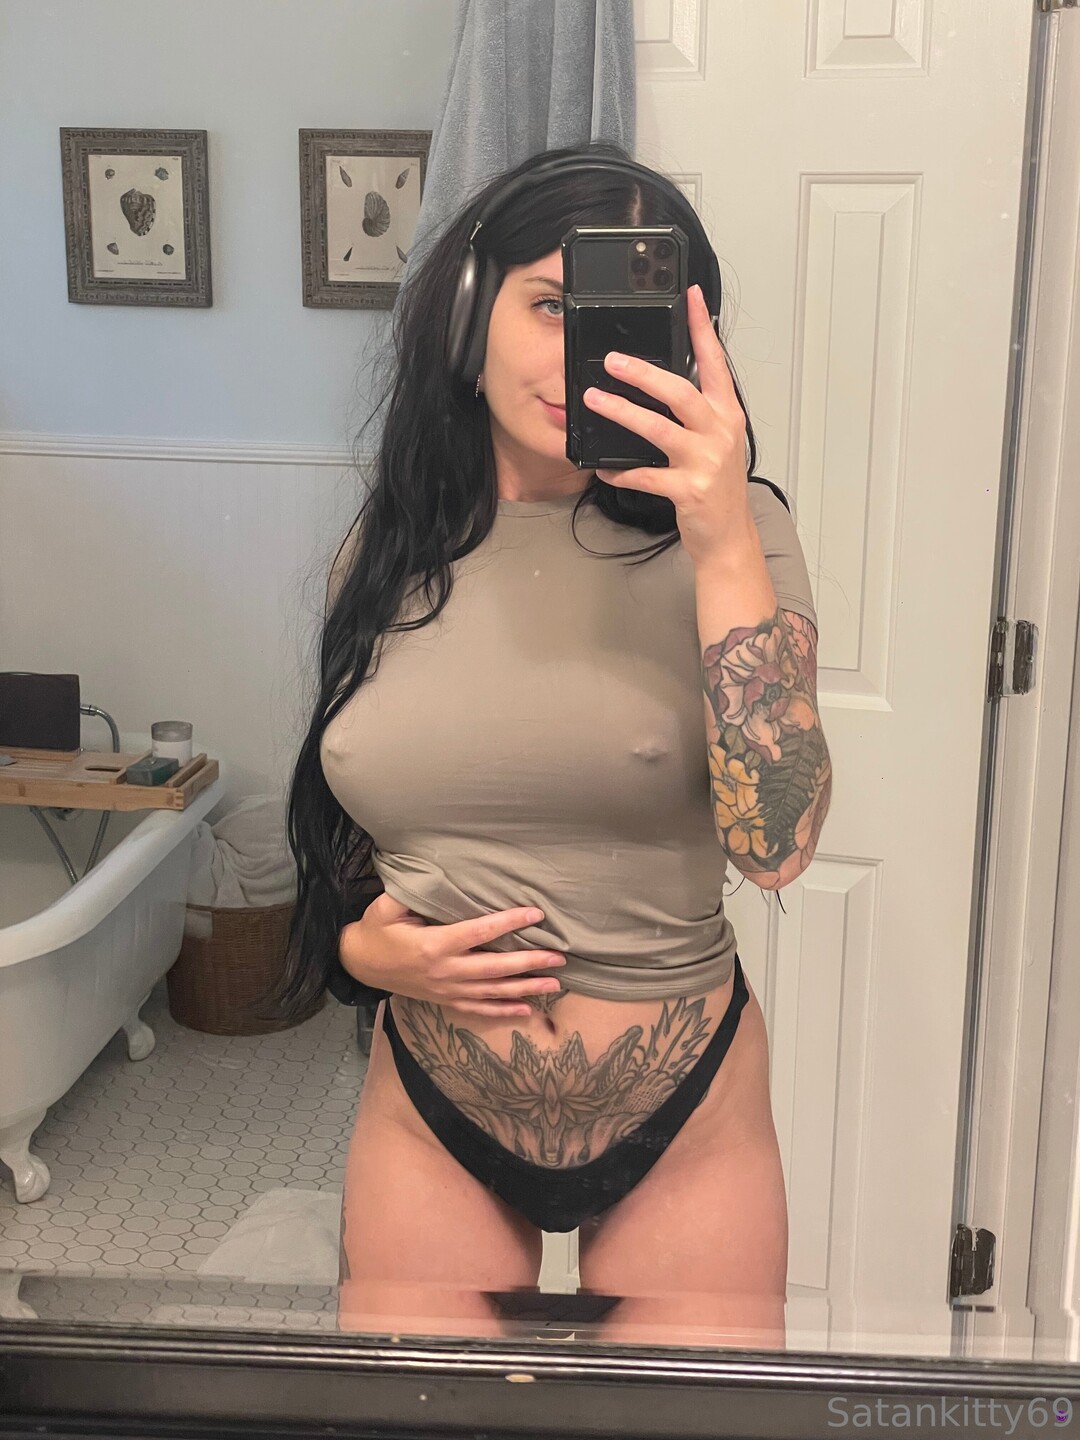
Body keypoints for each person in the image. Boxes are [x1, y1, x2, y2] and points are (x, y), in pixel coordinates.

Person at [275, 141, 830, 1347]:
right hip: (428, 1105)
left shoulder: (739, 533)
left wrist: (721, 536)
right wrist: (362, 951)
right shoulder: (387, 548)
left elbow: (778, 841)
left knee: (686, 1434)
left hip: (686, 1110)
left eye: (625, 319)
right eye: (547, 304)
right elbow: (351, 819)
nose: (586, 353)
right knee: (420, 1427)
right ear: (467, 310)